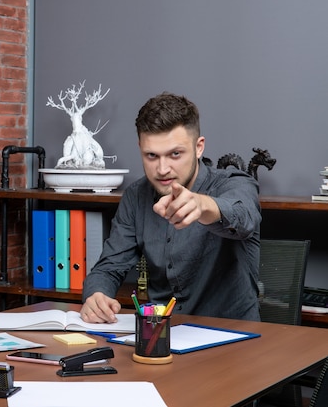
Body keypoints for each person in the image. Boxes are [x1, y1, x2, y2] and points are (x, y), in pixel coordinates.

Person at [80, 92, 261, 323]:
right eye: (151, 155)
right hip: (161, 337)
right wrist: (97, 295)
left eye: (175, 154)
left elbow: (243, 217)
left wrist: (202, 205)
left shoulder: (236, 183)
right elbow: (109, 266)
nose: (162, 168)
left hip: (233, 340)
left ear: (199, 147)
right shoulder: (136, 196)